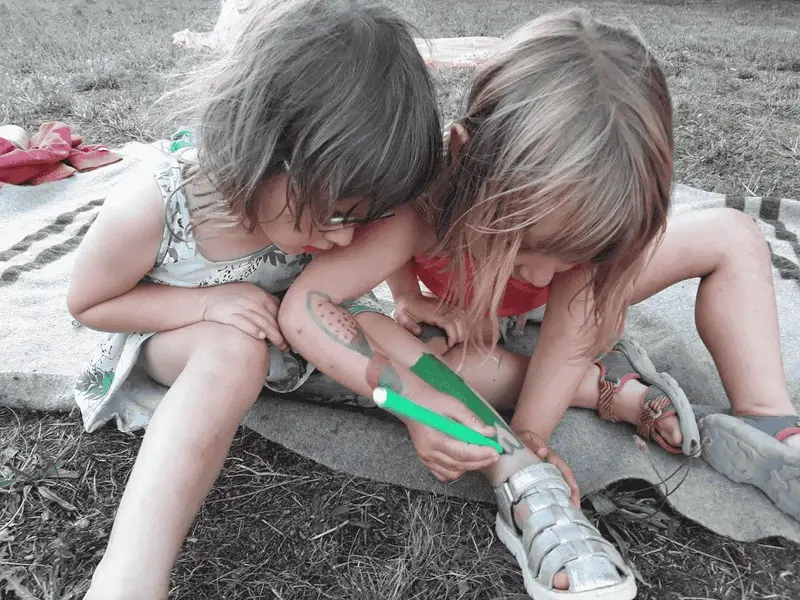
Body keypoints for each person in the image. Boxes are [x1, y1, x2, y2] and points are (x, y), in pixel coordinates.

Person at [279, 8, 799, 599]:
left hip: (565, 324)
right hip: (473, 323)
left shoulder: (584, 250)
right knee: (381, 338)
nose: (547, 272)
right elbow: (306, 306)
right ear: (465, 159)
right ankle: (609, 386)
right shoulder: (419, 208)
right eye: (525, 244)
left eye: (575, 255)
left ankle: (770, 420)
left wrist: (530, 431)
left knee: (732, 233)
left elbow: (569, 324)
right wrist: (414, 392)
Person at [67, 1, 443, 598]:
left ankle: (519, 426)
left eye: (363, 218)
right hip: (181, 336)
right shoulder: (157, 204)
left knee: (433, 355)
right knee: (234, 349)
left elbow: (376, 239)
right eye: (338, 214)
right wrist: (210, 306)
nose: (346, 237)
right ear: (263, 148)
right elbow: (89, 304)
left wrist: (405, 294)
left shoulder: (330, 192)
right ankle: (129, 576)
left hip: (296, 325)